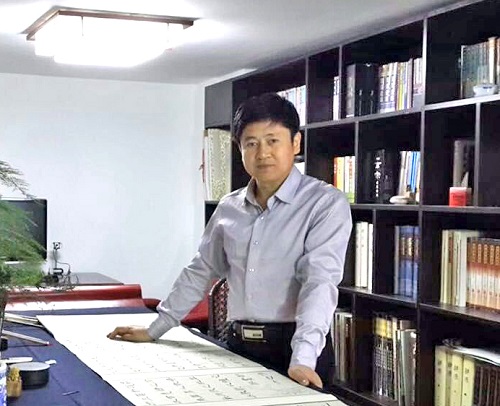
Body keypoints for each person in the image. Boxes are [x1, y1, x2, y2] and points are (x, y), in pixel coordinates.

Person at [107, 92, 352, 389]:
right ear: (240, 148)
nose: (262, 153)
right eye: (251, 143)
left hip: (296, 351)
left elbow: (319, 282)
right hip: (238, 345)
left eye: (273, 140)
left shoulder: (325, 203)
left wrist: (303, 358)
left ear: (295, 143)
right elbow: (200, 271)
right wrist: (155, 329)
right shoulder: (229, 207)